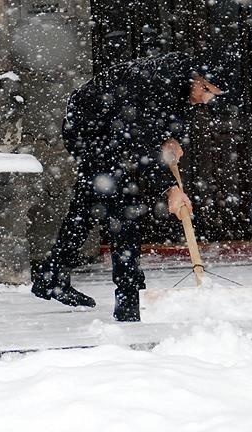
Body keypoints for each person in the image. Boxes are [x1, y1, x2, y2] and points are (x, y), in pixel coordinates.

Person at [31, 52, 225, 322]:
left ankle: (52, 275)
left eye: (213, 93)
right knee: (124, 206)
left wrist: (172, 137)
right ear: (193, 78)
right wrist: (170, 189)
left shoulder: (180, 85)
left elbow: (164, 119)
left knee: (89, 205)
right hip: (92, 127)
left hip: (114, 126)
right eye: (204, 89)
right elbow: (141, 143)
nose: (205, 98)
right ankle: (129, 297)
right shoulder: (159, 84)